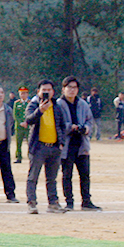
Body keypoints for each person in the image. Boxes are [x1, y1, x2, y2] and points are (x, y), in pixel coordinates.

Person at [24, 80, 68, 214]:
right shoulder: (33, 105)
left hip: (54, 147)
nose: (46, 92)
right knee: (33, 176)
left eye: (49, 90)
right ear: (38, 92)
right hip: (38, 147)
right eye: (44, 90)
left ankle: (53, 203)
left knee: (52, 178)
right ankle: (32, 203)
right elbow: (29, 120)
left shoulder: (56, 106)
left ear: (53, 92)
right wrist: (40, 110)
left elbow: (62, 125)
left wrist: (61, 143)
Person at [57, 77, 100, 210]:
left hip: (81, 144)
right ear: (63, 89)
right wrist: (71, 127)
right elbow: (58, 123)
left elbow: (89, 120)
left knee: (85, 174)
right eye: (69, 87)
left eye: (74, 87)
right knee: (67, 174)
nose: (72, 90)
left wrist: (86, 128)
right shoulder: (59, 104)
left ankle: (86, 201)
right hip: (67, 145)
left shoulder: (83, 104)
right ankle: (69, 202)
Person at [12, 86, 30, 163]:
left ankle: (30, 157)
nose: (23, 95)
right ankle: (19, 157)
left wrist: (27, 122)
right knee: (18, 143)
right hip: (19, 127)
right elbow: (15, 115)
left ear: (27, 94)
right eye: (21, 93)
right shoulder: (16, 103)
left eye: (24, 93)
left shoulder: (30, 103)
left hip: (28, 126)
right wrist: (20, 123)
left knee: (30, 142)